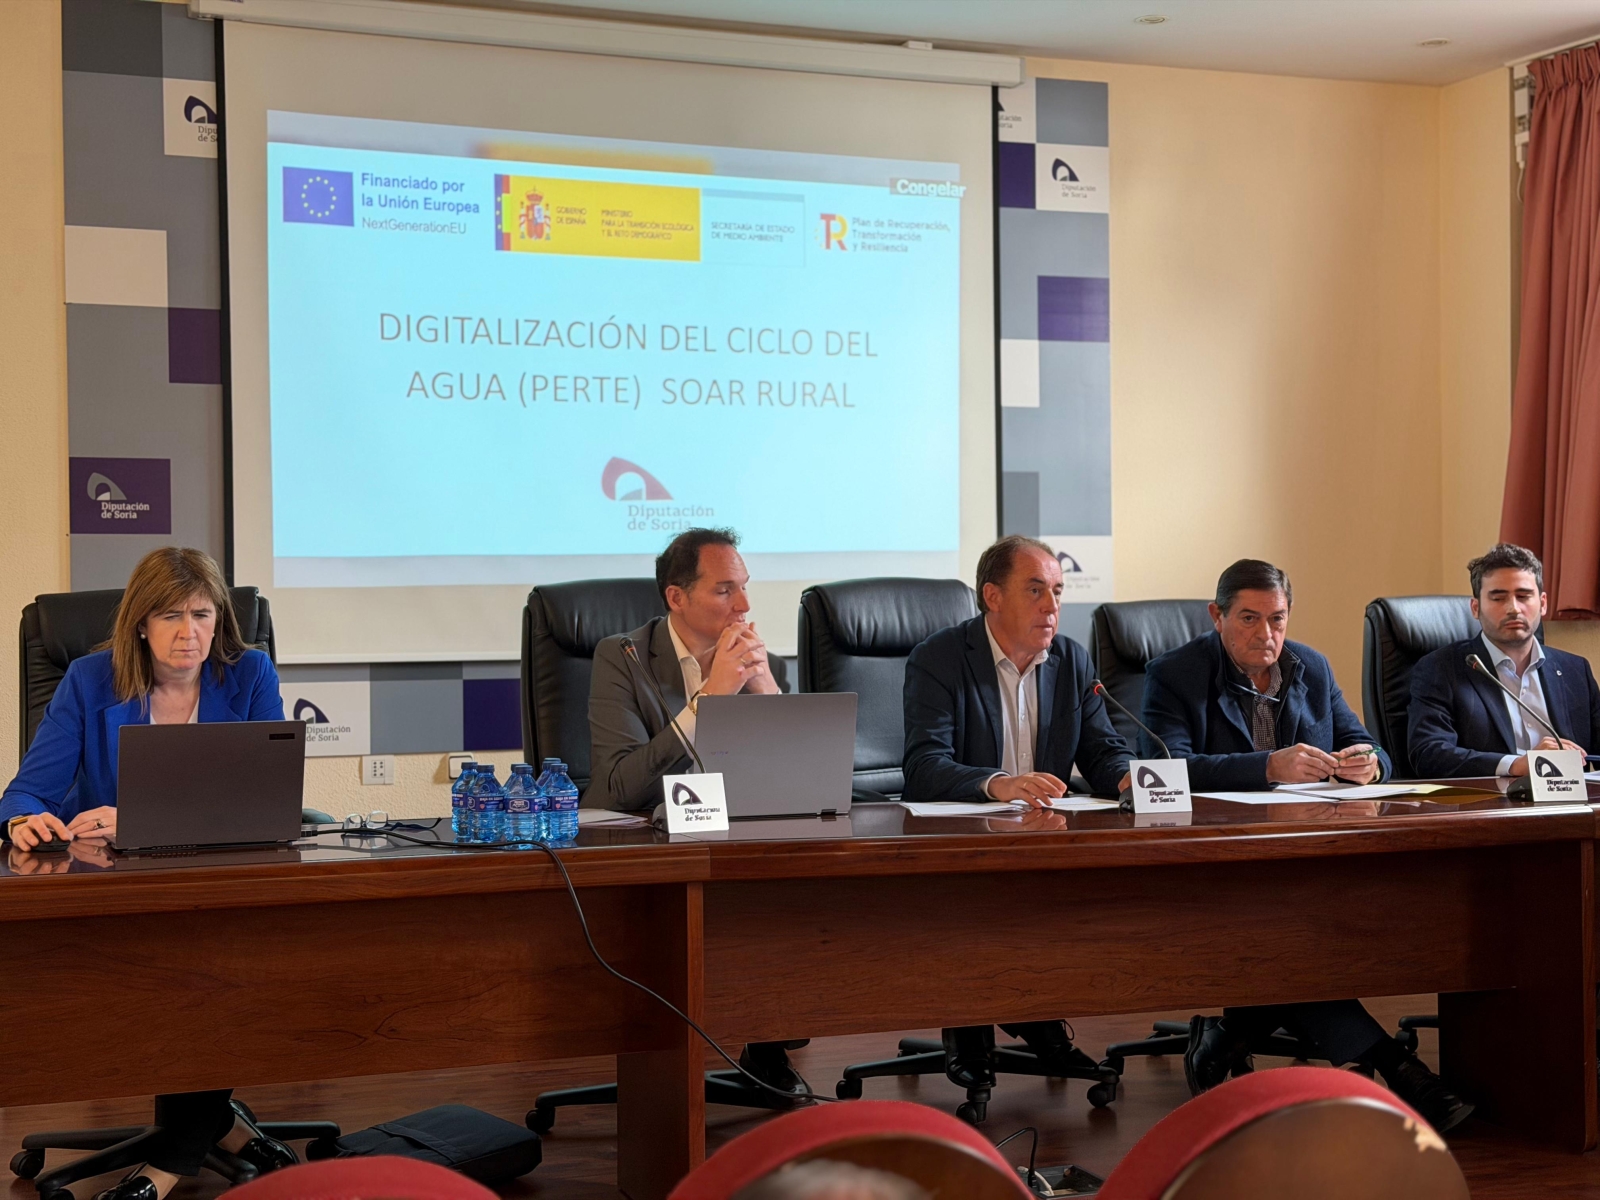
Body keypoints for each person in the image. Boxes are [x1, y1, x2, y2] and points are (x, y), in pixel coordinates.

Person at [0, 548, 298, 1199]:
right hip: (117, 898)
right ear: (140, 622)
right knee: (189, 979)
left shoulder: (248, 674)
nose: (189, 632)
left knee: (212, 971)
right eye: (170, 615)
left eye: (202, 614)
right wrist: (24, 820)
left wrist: (136, 818)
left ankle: (167, 1166)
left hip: (223, 894)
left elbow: (266, 797)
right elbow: (26, 791)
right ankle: (215, 1130)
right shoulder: (89, 680)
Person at [1141, 558, 1472, 1133]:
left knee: (1291, 937)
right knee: (1288, 936)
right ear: (1217, 615)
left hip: (1306, 857)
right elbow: (1165, 768)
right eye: (1249, 618)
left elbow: (1366, 742)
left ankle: (1230, 1035)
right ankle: (1403, 1073)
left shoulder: (1310, 667)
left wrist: (1369, 763)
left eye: (1277, 619)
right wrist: (1266, 766)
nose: (1265, 634)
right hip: (1212, 862)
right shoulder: (1175, 673)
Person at [901, 535, 1131, 1086]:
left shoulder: (1071, 660)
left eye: (1058, 591)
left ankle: (1036, 1014)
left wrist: (1130, 780)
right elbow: (923, 766)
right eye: (1035, 590)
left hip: (1041, 834)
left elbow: (1101, 751)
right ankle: (973, 1034)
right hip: (961, 838)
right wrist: (998, 784)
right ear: (993, 596)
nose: (1052, 606)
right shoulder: (939, 658)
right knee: (979, 898)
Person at [588, 527, 804, 1097]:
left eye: (745, 587)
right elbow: (618, 788)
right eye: (725, 590)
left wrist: (766, 694)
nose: (744, 605)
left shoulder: (761, 659)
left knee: (801, 901)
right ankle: (665, 1067)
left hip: (740, 847)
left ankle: (769, 1039)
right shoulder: (622, 657)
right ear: (676, 597)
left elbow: (797, 782)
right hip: (651, 853)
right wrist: (708, 701)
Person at [1408, 543, 1600, 779]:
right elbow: (1429, 754)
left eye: (1523, 596)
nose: (1514, 609)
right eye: (1498, 598)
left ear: (1543, 604)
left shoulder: (1575, 670)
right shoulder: (1440, 669)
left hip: (1572, 800)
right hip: (1492, 800)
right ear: (1476, 608)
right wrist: (1517, 764)